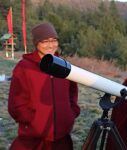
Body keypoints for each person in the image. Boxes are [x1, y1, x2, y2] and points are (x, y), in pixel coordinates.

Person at [8, 22, 80, 150]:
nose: (51, 45)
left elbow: (72, 92)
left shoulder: (64, 66)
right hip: (33, 139)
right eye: (45, 41)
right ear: (36, 43)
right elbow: (15, 103)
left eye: (54, 40)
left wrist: (71, 111)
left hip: (61, 139)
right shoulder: (24, 68)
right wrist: (33, 120)